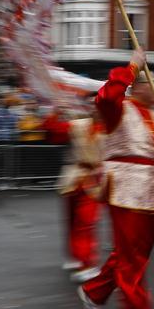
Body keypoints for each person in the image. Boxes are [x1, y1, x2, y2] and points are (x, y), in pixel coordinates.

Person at [78, 49, 154, 309]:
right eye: (152, 84)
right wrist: (133, 67)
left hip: (152, 192)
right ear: (137, 86)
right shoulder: (119, 108)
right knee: (131, 257)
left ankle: (94, 292)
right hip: (126, 188)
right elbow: (105, 97)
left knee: (133, 254)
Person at [46, 106, 104, 283]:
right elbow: (52, 130)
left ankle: (86, 263)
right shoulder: (78, 125)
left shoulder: (115, 128)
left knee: (86, 223)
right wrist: (56, 112)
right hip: (74, 179)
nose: (97, 109)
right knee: (72, 221)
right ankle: (76, 258)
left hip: (95, 181)